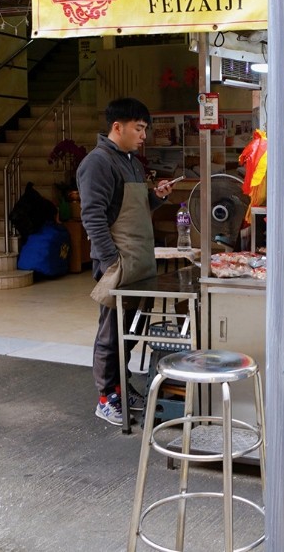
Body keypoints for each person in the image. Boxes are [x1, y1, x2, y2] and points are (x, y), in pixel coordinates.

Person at [77, 97, 175, 425]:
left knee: (130, 330)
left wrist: (155, 196)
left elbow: (130, 206)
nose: (144, 135)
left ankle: (120, 385)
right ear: (117, 127)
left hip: (138, 260)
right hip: (118, 262)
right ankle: (106, 398)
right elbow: (92, 216)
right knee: (111, 332)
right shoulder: (98, 162)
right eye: (139, 128)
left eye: (145, 128)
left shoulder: (131, 160)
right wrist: (110, 261)